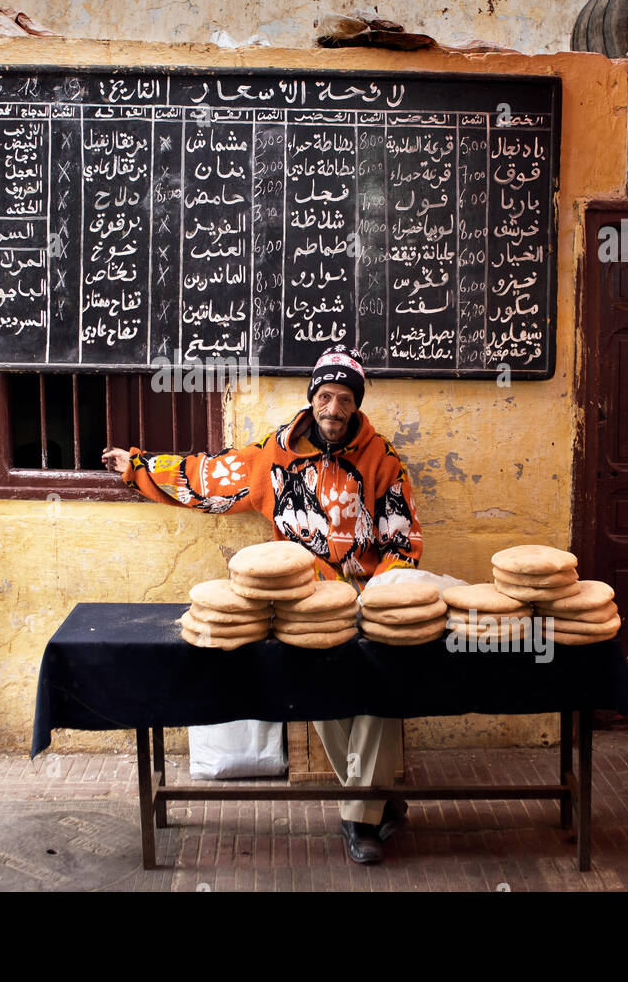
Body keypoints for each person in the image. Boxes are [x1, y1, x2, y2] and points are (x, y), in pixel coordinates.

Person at [101, 345, 426, 864]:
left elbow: (403, 546)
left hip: (368, 603)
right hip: (301, 605)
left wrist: (376, 601)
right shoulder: (274, 455)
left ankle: (358, 819)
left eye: (345, 399)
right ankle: (377, 805)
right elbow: (208, 478)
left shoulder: (384, 461)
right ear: (312, 398)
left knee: (378, 696)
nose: (334, 409)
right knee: (322, 696)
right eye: (325, 396)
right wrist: (138, 467)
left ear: (356, 405)